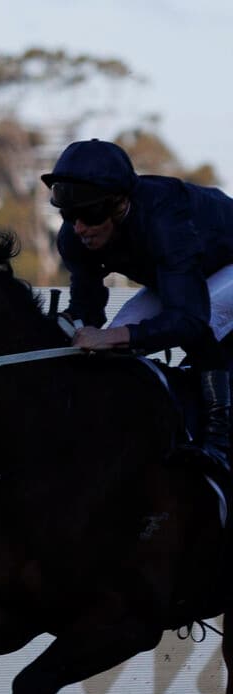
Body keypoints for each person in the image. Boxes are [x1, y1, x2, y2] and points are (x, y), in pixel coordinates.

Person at [43, 138, 233, 469]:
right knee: (116, 336)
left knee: (205, 325)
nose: (80, 227)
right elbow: (88, 308)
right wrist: (66, 328)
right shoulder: (73, 237)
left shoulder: (165, 219)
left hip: (222, 264)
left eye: (89, 213)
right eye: (69, 214)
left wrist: (112, 337)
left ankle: (219, 441)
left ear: (119, 204)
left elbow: (190, 318)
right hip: (187, 272)